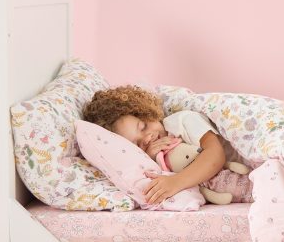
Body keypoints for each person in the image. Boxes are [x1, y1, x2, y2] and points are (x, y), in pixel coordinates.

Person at [82, 85, 253, 205]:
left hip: (251, 159)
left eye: (143, 127)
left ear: (145, 111)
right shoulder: (154, 158)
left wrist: (176, 182)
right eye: (137, 144)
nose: (147, 138)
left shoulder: (182, 121)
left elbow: (215, 154)